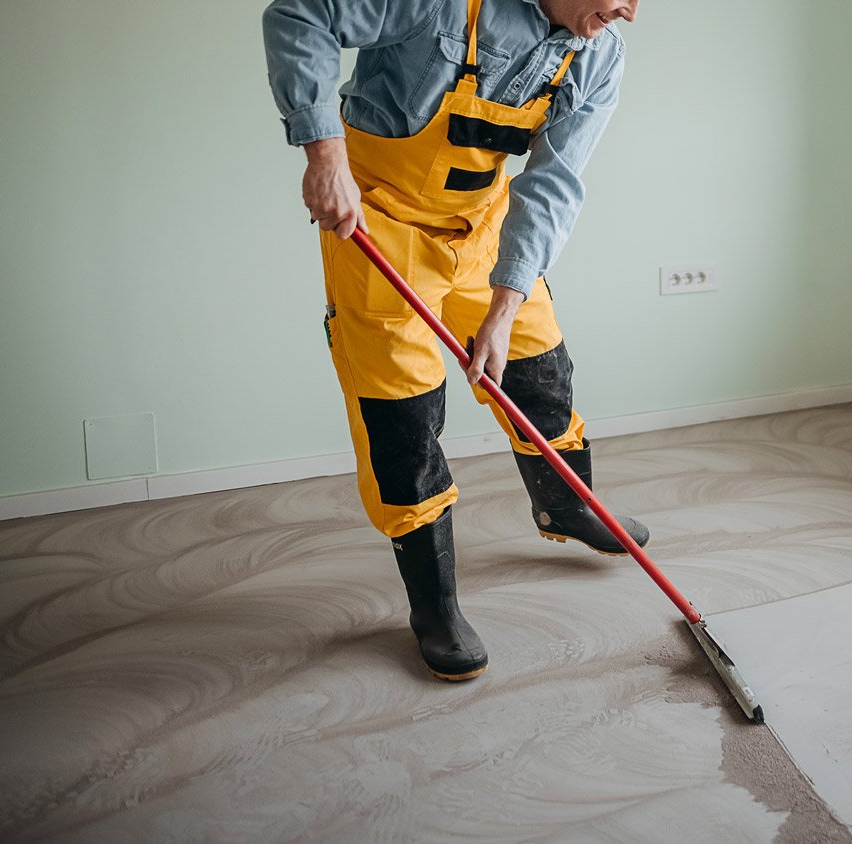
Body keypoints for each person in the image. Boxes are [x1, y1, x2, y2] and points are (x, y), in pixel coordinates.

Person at [262, 0, 644, 683]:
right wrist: (324, 152)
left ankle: (566, 505)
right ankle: (433, 606)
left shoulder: (599, 52)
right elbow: (300, 15)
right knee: (402, 420)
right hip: (379, 231)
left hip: (486, 232)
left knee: (540, 371)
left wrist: (503, 307)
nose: (628, 12)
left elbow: (553, 181)